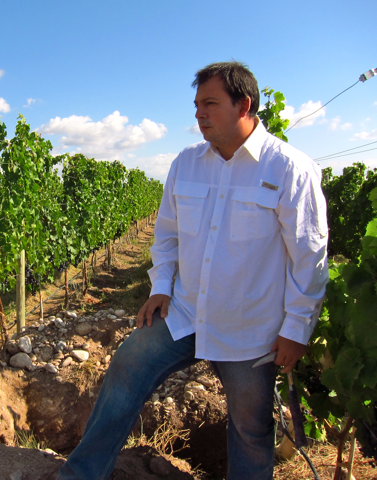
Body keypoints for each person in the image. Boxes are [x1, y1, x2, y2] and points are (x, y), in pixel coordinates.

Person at [56, 61, 328, 480]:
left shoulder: (289, 169)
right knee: (128, 365)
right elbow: (166, 234)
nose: (199, 113)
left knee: (251, 429)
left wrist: (296, 328)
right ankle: (81, 474)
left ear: (244, 105)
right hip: (185, 314)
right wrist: (161, 286)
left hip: (250, 331)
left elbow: (310, 255)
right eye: (197, 104)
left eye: (210, 104)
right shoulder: (185, 163)